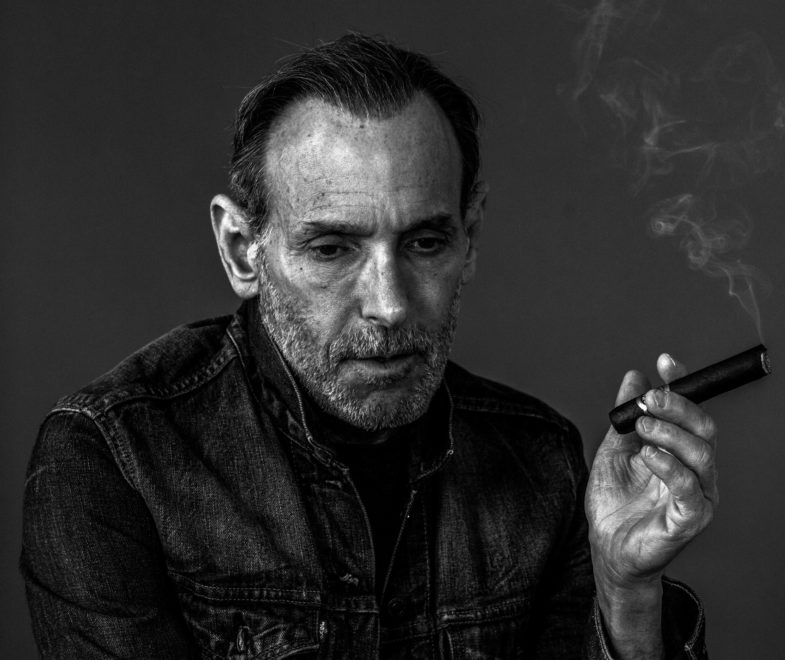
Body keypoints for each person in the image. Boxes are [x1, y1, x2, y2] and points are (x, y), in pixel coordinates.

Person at [21, 34, 717, 658]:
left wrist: (625, 592)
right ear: (240, 250)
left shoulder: (542, 464)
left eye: (425, 243)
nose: (389, 305)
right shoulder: (115, 460)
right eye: (331, 248)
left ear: (469, 238)